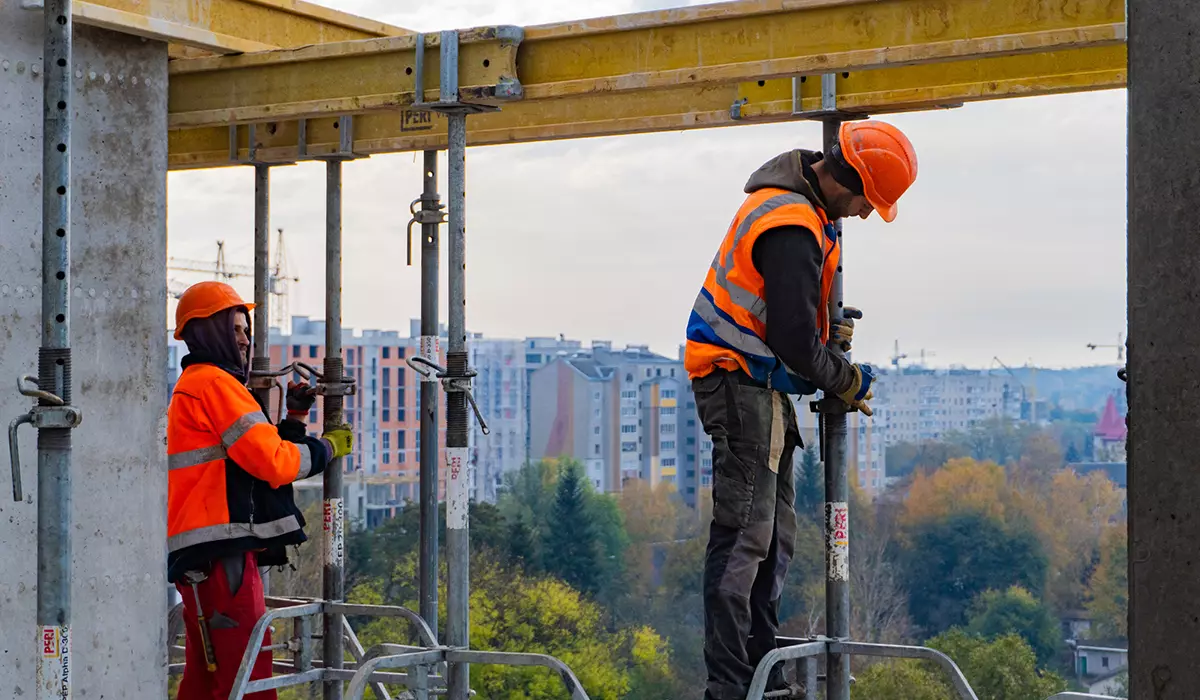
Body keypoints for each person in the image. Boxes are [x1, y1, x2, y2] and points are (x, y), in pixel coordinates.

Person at [684, 120, 918, 699]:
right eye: (869, 201)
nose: (866, 214)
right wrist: (846, 379)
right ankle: (733, 687)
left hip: (758, 386)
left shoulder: (801, 211)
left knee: (771, 541)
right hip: (738, 384)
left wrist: (822, 332)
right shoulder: (790, 223)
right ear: (852, 183)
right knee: (745, 538)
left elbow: (786, 321)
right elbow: (790, 337)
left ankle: (766, 674)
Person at [167, 281, 354, 700]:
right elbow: (275, 464)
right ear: (207, 332)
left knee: (207, 678)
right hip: (220, 553)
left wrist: (294, 418)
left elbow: (251, 463)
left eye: (245, 330)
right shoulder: (216, 385)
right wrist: (326, 448)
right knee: (248, 676)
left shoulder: (198, 385)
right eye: (233, 329)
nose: (244, 339)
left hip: (204, 558)